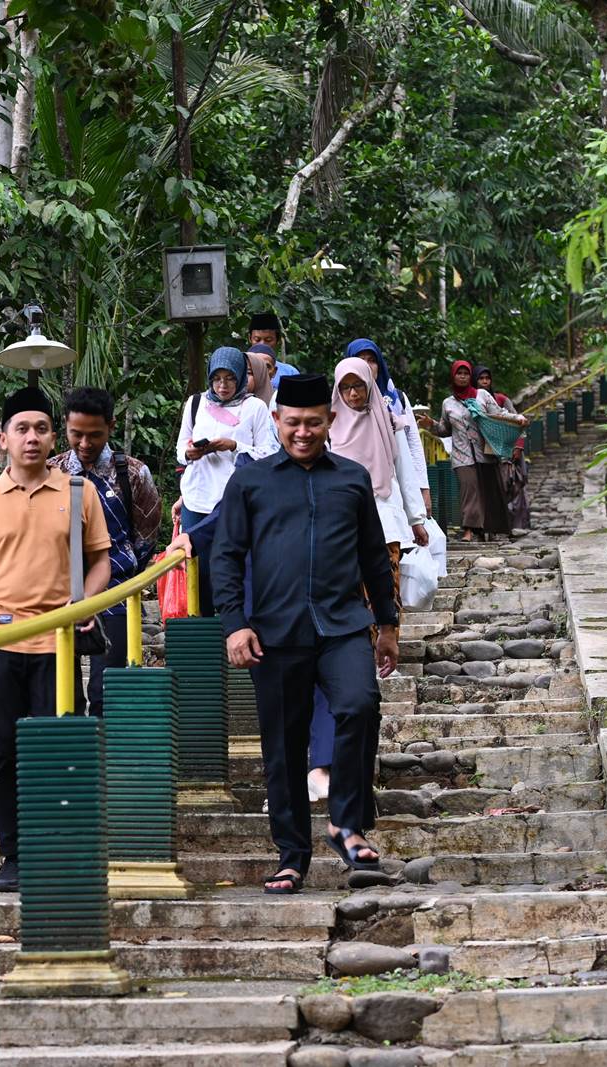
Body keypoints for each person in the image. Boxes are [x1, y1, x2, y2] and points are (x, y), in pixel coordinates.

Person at [209, 373, 400, 895]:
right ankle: (292, 855)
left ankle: (345, 823)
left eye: (313, 423)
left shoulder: (352, 479)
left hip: (343, 625)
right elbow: (225, 557)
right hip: (275, 632)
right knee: (284, 745)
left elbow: (372, 556)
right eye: (292, 422)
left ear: (330, 422)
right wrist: (234, 624)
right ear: (276, 422)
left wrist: (388, 624)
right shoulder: (251, 482)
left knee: (359, 705)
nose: (302, 432)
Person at [0, 386, 111, 892]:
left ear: (52, 437)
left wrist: (86, 604)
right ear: (4, 439)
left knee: (58, 752)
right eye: (21, 429)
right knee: (1, 752)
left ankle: (55, 852)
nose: (31, 438)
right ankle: (13, 854)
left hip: (56, 644)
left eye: (40, 428)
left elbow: (100, 560)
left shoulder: (80, 493)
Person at [303, 355, 431, 801]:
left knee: (383, 588)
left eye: (361, 386)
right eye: (349, 387)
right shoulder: (328, 433)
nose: (356, 394)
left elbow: (403, 470)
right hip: (343, 532)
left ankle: (380, 650)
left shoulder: (386, 420)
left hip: (387, 522)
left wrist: (418, 516)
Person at [49, 387, 162, 717]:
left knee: (107, 691)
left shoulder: (133, 474)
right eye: (76, 435)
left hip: (116, 596)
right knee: (63, 696)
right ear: (65, 428)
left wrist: (121, 572)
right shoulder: (50, 473)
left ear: (111, 427)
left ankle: (106, 764)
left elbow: (146, 536)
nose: (85, 444)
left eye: (94, 435)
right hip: (59, 597)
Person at [175, 346, 277, 614]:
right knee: (201, 573)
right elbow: (180, 449)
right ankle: (208, 637)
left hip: (237, 502)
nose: (222, 385)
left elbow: (269, 455)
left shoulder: (254, 407)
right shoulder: (196, 403)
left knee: (239, 569)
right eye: (217, 378)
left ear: (242, 376)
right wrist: (190, 452)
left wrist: (233, 445)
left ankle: (240, 628)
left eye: (230, 378)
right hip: (198, 499)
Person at [435, 360, 525, 543]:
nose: (462, 377)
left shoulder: (481, 396)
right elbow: (444, 429)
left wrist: (518, 418)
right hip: (462, 456)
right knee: (470, 489)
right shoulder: (448, 403)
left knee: (488, 491)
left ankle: (487, 530)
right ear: (453, 376)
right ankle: (468, 530)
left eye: (466, 374)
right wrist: (431, 425)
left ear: (470, 377)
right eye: (458, 373)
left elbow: (499, 413)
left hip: (485, 452)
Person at [346, 337, 431, 515]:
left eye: (372, 360)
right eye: (361, 360)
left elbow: (413, 444)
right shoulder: (343, 401)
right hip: (358, 488)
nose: (367, 366)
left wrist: (423, 488)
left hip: (399, 483)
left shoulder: (396, 399)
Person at [474, 366, 530, 531]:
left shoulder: (500, 400)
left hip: (508, 452)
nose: (485, 382)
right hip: (488, 454)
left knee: (514, 486)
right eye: (481, 378)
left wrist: (518, 447)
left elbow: (518, 422)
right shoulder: (471, 403)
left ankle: (519, 524)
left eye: (487, 378)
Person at [248, 312, 298, 385]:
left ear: (277, 341)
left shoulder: (290, 373)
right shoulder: (239, 369)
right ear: (250, 338)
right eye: (257, 340)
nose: (262, 344)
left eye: (268, 340)